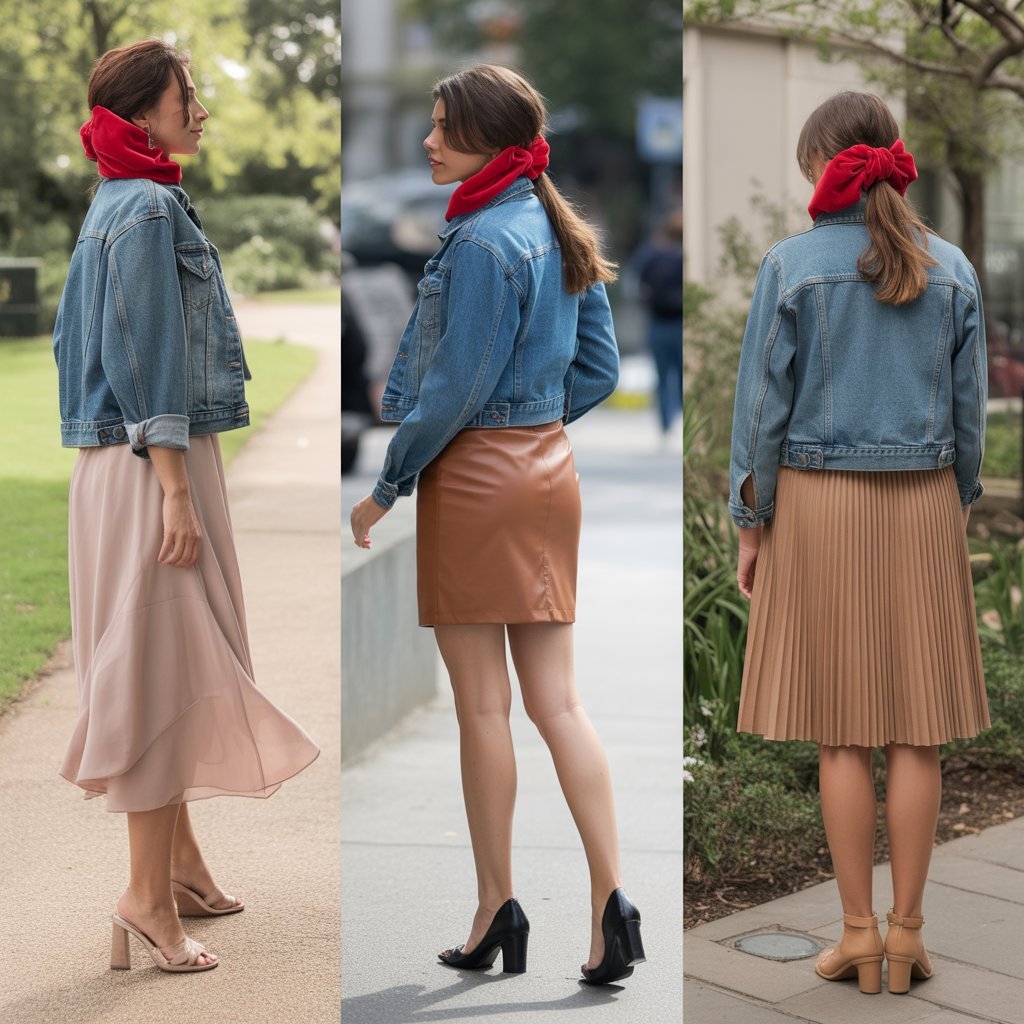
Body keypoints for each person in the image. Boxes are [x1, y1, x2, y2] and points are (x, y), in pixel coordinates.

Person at [349, 63, 646, 985]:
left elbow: (452, 391)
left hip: (478, 479)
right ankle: (612, 906)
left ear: (484, 135)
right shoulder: (557, 226)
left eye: (442, 127)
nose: (428, 141)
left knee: (485, 707)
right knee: (559, 703)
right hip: (549, 471)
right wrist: (536, 428)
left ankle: (495, 909)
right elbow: (596, 370)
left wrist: (387, 485)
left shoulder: (480, 242)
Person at [54, 40, 319, 973]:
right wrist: (174, 488)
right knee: (162, 671)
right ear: (140, 115)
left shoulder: (112, 204)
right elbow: (146, 359)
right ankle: (143, 897)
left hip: (130, 464)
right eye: (186, 98)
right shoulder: (147, 206)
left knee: (175, 656)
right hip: (150, 466)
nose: (199, 112)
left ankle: (183, 869)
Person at [729, 91, 989, 996]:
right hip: (923, 504)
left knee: (843, 735)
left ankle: (856, 936)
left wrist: (750, 519)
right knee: (919, 733)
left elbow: (762, 410)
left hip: (819, 503)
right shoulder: (951, 266)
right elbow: (969, 418)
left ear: (821, 165)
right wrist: (951, 508)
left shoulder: (792, 265)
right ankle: (910, 936)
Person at [635, 209, 683, 438]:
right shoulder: (684, 257)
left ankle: (665, 425)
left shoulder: (653, 255)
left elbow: (640, 284)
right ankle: (685, 421)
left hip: (658, 322)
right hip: (681, 324)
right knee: (683, 374)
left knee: (662, 377)